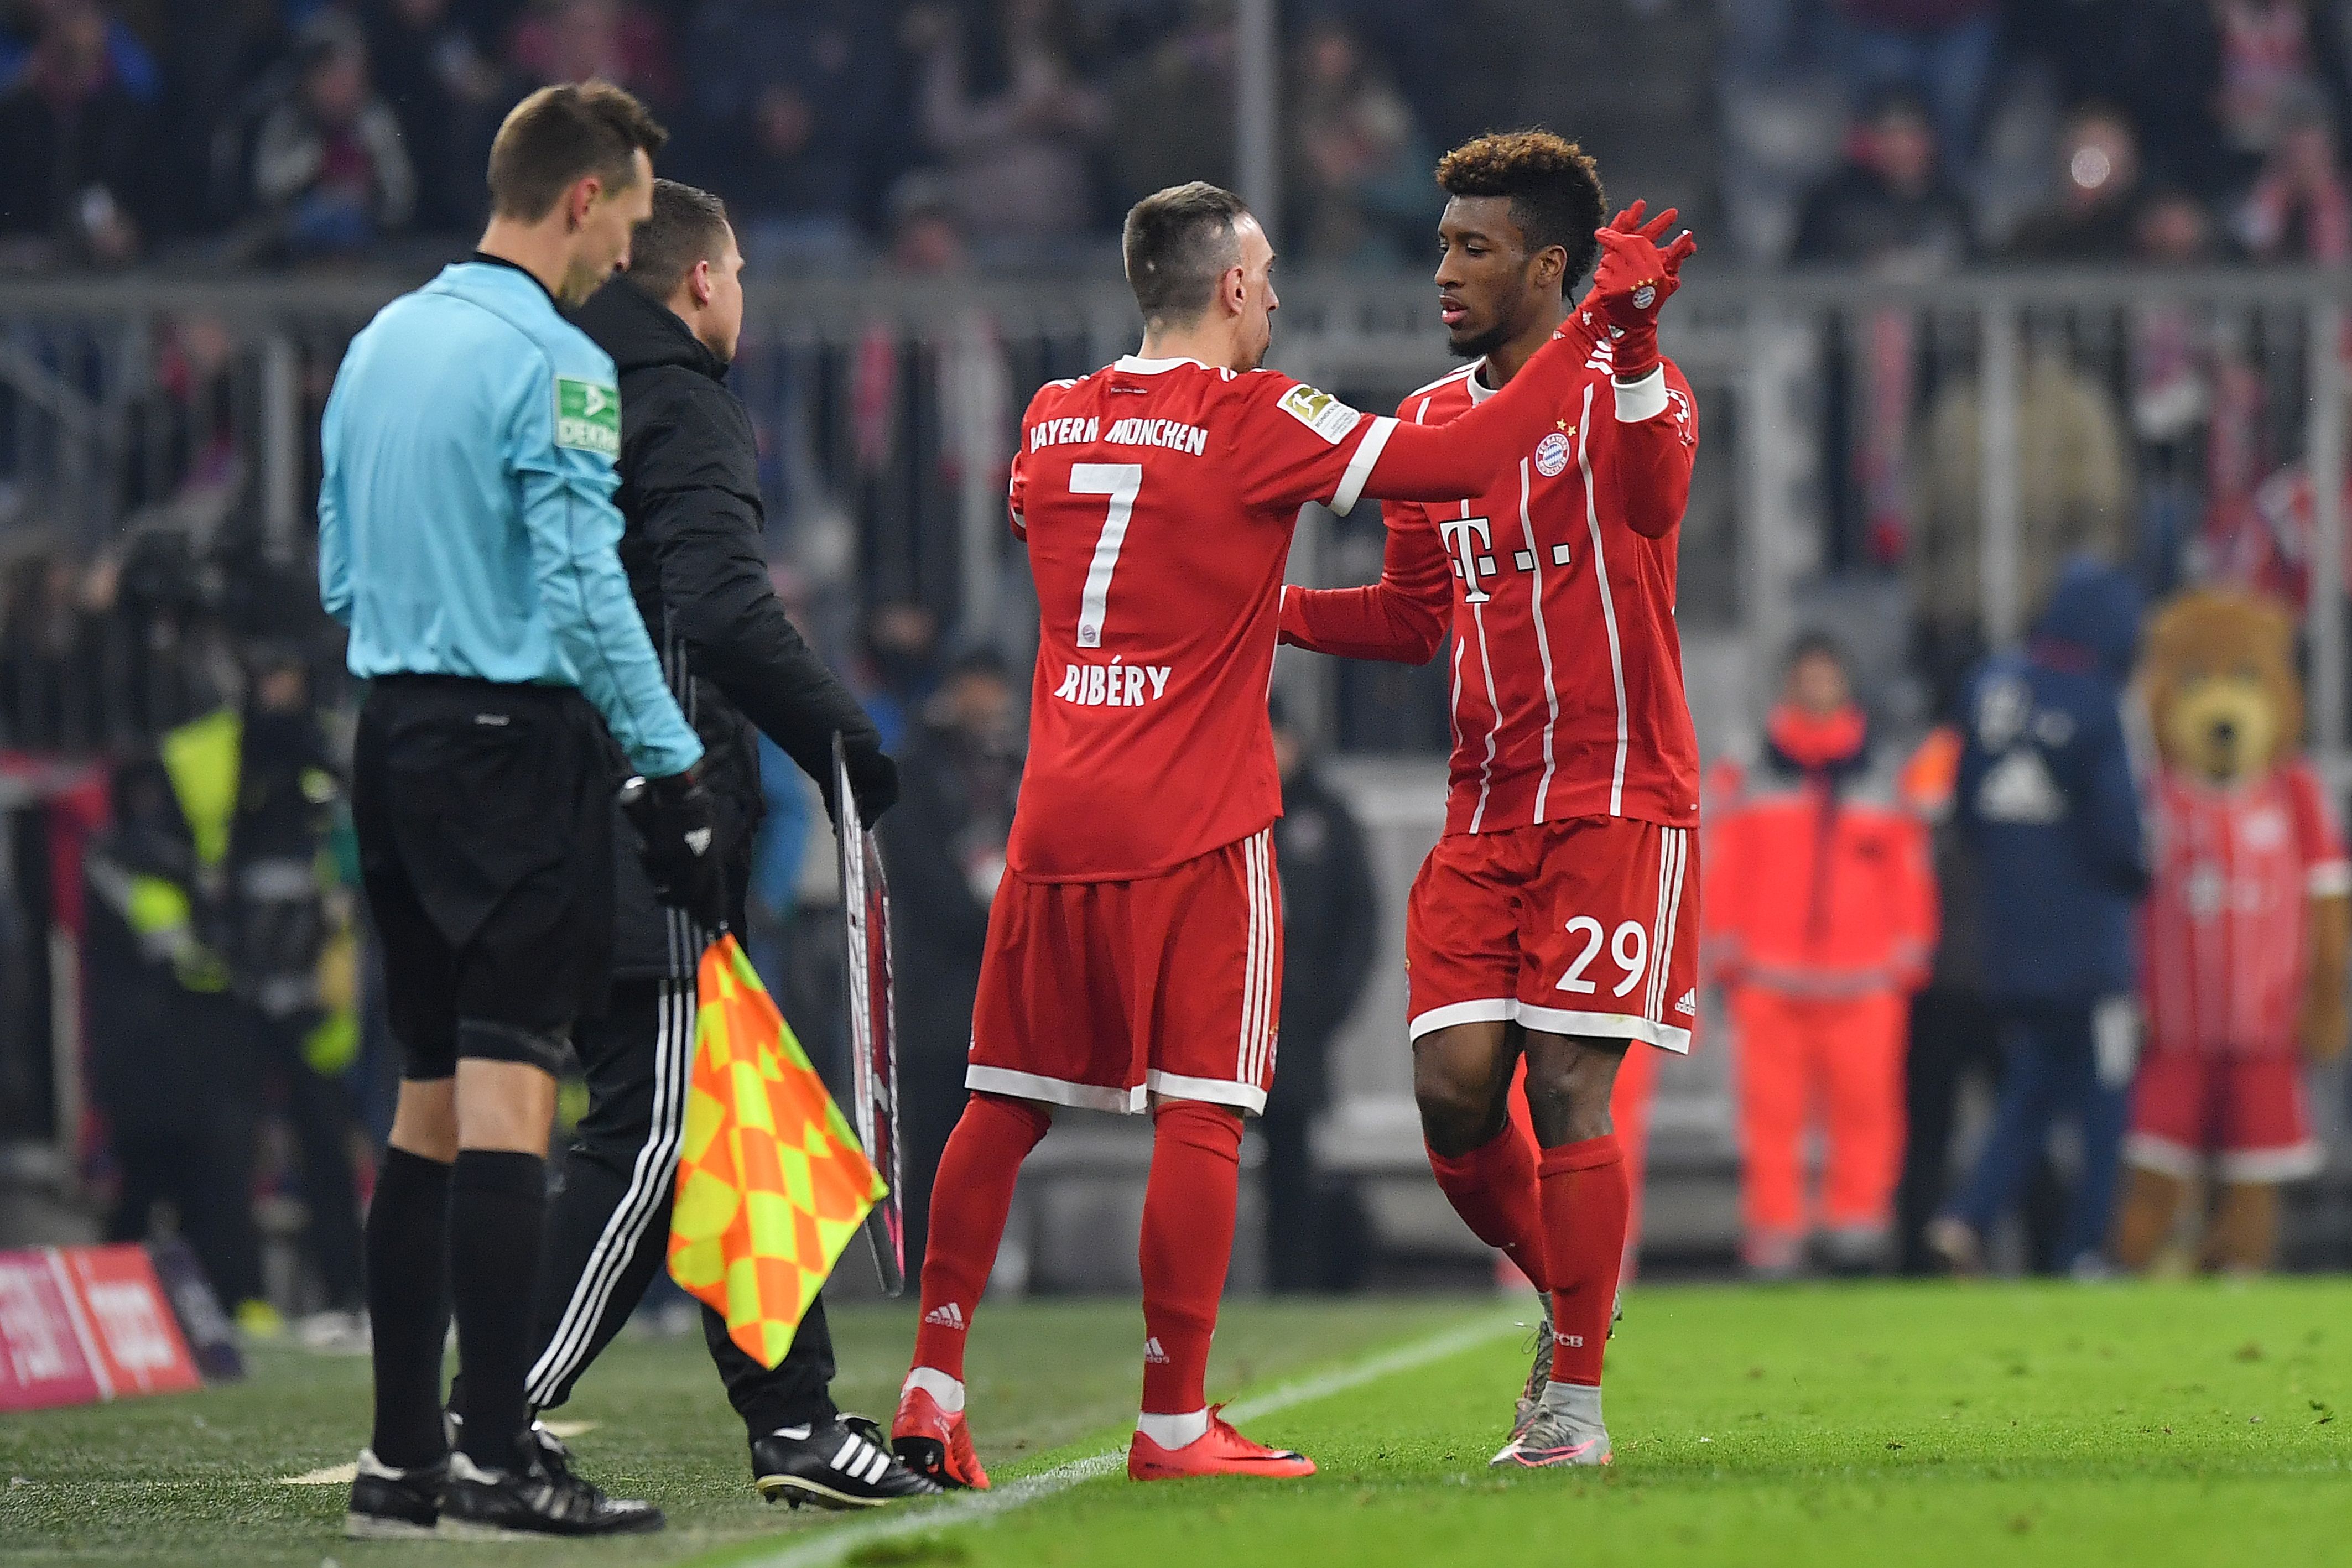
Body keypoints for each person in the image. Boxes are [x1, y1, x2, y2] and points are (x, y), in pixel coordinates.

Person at [887, 177, 1646, 1488]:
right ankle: (1174, 1418)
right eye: (1271, 275)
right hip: (1196, 814)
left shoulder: (1051, 416)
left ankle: (929, 1386)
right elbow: (1459, 461)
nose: (1280, 297)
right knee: (1204, 1110)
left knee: (1002, 1102)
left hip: (1056, 810)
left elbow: (1059, 534)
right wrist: (1591, 329)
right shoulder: (1256, 416)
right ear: (1231, 287)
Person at [1277, 132, 1701, 1469]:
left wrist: (1627, 349)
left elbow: (1653, 494)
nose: (1443, 271)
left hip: (1616, 794)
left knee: (1571, 1087)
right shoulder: (1431, 425)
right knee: (1453, 1104)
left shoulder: (1639, 390)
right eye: (1441, 244)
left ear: (1548, 266)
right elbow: (1409, 620)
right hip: (1484, 811)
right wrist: (1262, 611)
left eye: (1473, 246)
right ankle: (1579, 1292)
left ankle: (1570, 1406)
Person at [319, 81, 707, 1538]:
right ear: (580, 200)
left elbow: (340, 568)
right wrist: (666, 762)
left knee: (425, 1104)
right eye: (632, 214)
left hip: (392, 736)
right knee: (512, 1097)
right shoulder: (559, 364)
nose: (632, 250)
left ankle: (403, 1459)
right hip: (508, 748)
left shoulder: (380, 340)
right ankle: (496, 1454)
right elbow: (582, 586)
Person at [517, 178, 928, 1510]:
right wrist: (842, 741)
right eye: (739, 272)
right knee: (646, 1134)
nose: (742, 295)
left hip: (548, 798)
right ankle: (476, 1417)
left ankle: (795, 1423)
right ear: (699, 281)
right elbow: (723, 610)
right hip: (656, 825)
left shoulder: (554, 390)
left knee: (746, 1121)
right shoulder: (681, 398)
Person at [1929, 559, 2150, 1277]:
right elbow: (2119, 833)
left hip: (2012, 940)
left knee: (2029, 1089)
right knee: (2103, 1100)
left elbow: (1964, 808)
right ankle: (2086, 1246)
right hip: (2088, 940)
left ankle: (1968, 1214)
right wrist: (2142, 874)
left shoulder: (1989, 686)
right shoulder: (2092, 700)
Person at [1704, 635, 1935, 1276]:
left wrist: (1908, 954)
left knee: (1866, 1114)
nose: (1816, 689)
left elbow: (1909, 868)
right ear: (1788, 684)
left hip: (1864, 976)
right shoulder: (1750, 766)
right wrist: (1726, 952)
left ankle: (1855, 1230)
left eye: (1826, 677)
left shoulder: (1881, 771)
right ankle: (1776, 1233)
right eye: (1806, 677)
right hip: (1770, 973)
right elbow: (1723, 864)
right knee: (1769, 1119)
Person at [878, 649, 1022, 1285]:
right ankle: (924, 1274)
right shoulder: (915, 772)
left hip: (1003, 988)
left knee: (994, 1137)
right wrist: (993, 921)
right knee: (935, 1135)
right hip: (935, 988)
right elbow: (919, 876)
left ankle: (980, 1266)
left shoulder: (1018, 769)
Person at [1263, 701, 1378, 1291]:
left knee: (1294, 1157)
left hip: (1299, 1023)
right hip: (1230, 1019)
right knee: (1206, 1150)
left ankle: (1293, 1282)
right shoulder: (1225, 812)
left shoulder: (1328, 818)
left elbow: (1360, 922)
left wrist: (1329, 1007)